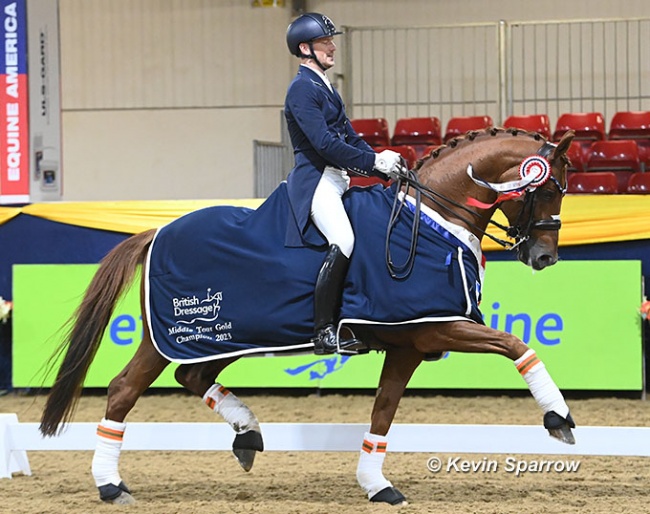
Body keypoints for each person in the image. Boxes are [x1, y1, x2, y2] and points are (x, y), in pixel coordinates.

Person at [284, 12, 402, 355]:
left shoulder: (325, 86)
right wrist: (371, 162)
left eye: (330, 41)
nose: (332, 47)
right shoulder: (301, 89)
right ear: (305, 48)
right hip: (316, 180)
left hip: (339, 178)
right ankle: (323, 332)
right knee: (344, 239)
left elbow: (349, 136)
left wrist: (382, 166)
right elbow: (324, 144)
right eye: (325, 42)